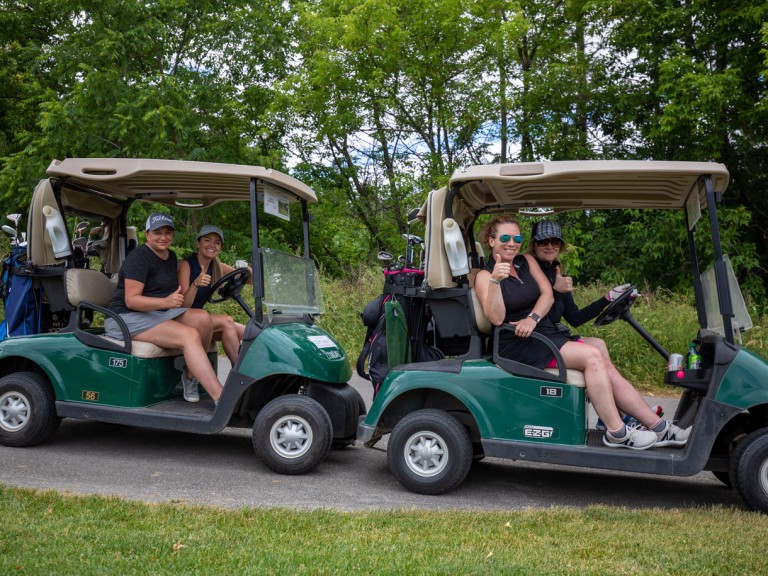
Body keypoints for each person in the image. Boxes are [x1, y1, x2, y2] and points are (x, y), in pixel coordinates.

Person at [474, 215, 690, 450]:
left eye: (517, 237)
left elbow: (547, 294)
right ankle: (617, 432)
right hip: (518, 342)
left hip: (540, 332)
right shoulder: (485, 276)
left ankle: (658, 427)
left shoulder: (526, 261)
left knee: (599, 352)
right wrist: (496, 281)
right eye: (505, 237)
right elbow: (495, 317)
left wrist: (533, 318)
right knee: (592, 357)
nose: (512, 242)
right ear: (491, 240)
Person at [528, 219, 663, 429]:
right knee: (593, 354)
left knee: (598, 344)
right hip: (537, 339)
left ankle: (614, 414)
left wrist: (607, 298)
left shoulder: (556, 271)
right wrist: (555, 289)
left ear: (561, 246)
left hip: (553, 335)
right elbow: (546, 314)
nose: (549, 246)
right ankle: (621, 418)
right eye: (543, 241)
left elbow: (574, 318)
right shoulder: (531, 271)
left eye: (555, 242)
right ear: (534, 244)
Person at [105, 213, 223, 405]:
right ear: (147, 234)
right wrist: (166, 303)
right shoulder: (139, 257)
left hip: (154, 313)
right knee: (189, 335)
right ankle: (220, 396)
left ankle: (190, 378)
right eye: (157, 232)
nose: (163, 237)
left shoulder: (170, 256)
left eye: (168, 232)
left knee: (203, 318)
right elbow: (132, 301)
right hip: (125, 317)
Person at [177, 224, 250, 366]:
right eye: (207, 240)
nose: (212, 245)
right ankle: (238, 376)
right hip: (181, 317)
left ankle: (249, 373)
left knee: (246, 332)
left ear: (220, 248)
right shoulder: (186, 265)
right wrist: (195, 284)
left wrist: (245, 267)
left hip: (200, 319)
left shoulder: (217, 267)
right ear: (198, 243)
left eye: (217, 243)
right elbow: (183, 305)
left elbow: (249, 279)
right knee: (227, 321)